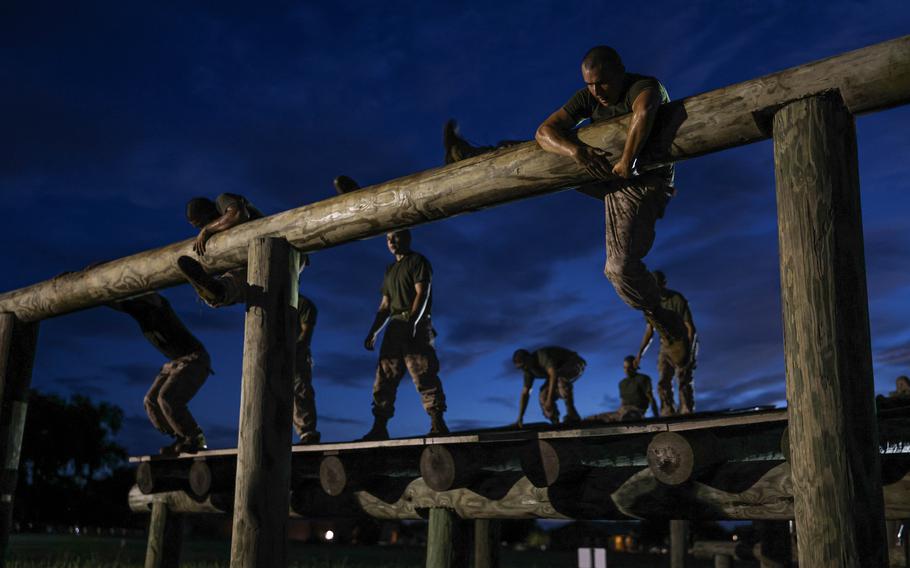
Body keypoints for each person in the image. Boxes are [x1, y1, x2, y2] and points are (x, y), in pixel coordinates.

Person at [443, 45, 690, 367]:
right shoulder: (588, 96)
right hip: (604, 173)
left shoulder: (643, 86)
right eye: (589, 83)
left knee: (619, 269)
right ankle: (473, 159)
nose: (595, 91)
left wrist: (627, 161)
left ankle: (662, 318)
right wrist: (577, 152)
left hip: (644, 183)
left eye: (602, 83)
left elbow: (644, 112)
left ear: (619, 73)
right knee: (533, 150)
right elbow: (544, 131)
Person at [177, 194, 321, 444]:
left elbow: (237, 214)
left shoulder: (224, 201)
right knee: (272, 381)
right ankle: (215, 289)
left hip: (275, 257)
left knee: (298, 385)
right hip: (265, 281)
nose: (200, 228)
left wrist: (207, 231)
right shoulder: (226, 239)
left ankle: (306, 432)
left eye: (199, 223)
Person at [361, 229, 448, 440]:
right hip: (394, 326)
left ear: (407, 238)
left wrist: (414, 323)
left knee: (423, 372)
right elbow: (385, 305)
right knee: (384, 376)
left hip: (415, 324)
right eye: (388, 238)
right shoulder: (390, 270)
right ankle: (379, 427)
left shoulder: (418, 261)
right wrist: (373, 331)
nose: (391, 241)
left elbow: (422, 293)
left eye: (395, 237)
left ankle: (437, 422)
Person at [109, 293, 211, 455]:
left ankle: (196, 437)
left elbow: (151, 294)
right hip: (174, 362)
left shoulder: (159, 306)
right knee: (150, 401)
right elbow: (113, 303)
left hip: (195, 358)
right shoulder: (136, 311)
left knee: (167, 398)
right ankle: (180, 436)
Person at [634, 270, 697, 415]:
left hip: (683, 341)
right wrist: (639, 355)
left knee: (683, 379)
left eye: (658, 285)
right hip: (666, 344)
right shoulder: (649, 306)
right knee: (663, 382)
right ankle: (667, 413)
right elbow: (649, 331)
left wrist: (689, 350)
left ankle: (686, 411)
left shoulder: (676, 299)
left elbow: (690, 327)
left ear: (664, 284)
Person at [512, 346, 586, 427]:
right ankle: (555, 421)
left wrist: (550, 400)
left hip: (575, 363)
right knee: (543, 395)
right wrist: (520, 417)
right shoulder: (527, 371)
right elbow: (525, 393)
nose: (524, 368)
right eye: (521, 368)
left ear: (529, 358)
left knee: (561, 380)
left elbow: (553, 375)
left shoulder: (542, 356)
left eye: (524, 365)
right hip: (558, 373)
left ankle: (572, 415)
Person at [595, 356, 658, 422]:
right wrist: (618, 413)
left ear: (635, 367)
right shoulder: (622, 383)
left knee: (625, 417)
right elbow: (623, 402)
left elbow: (651, 398)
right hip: (622, 411)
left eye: (629, 367)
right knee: (597, 418)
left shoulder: (643, 379)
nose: (626, 370)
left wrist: (657, 416)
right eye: (624, 368)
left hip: (637, 411)